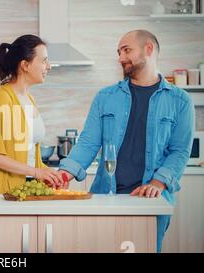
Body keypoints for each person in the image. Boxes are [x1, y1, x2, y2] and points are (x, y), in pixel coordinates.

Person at [57, 30, 195, 252]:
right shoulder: (105, 97)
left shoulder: (180, 101)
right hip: (106, 197)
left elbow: (179, 151)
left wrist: (157, 184)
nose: (121, 57)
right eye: (119, 52)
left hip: (150, 201)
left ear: (148, 49)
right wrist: (64, 173)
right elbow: (88, 143)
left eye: (126, 50)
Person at [0, 34, 64, 194]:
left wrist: (50, 174)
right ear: (25, 65)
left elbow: (30, 157)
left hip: (26, 190)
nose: (49, 66)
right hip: (3, 193)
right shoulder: (0, 98)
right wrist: (36, 172)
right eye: (44, 60)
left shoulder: (29, 99)